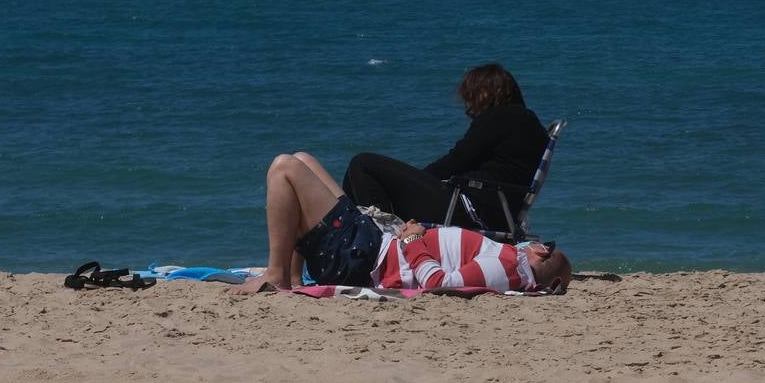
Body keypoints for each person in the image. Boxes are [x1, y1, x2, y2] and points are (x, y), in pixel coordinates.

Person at [231, 150, 571, 295]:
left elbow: (440, 284)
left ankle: (276, 274)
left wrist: (412, 241)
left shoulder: (505, 268)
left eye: (545, 247)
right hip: (374, 243)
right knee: (304, 158)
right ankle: (291, 276)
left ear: (540, 254)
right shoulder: (506, 261)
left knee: (283, 167)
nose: (537, 244)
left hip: (363, 257)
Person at [341, 63, 548, 229]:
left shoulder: (500, 117)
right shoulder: (528, 123)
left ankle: (383, 241)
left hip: (469, 207)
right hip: (495, 210)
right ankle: (361, 236)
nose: (470, 104)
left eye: (472, 95)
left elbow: (455, 161)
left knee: (362, 164)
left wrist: (414, 180)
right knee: (355, 174)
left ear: (490, 91)